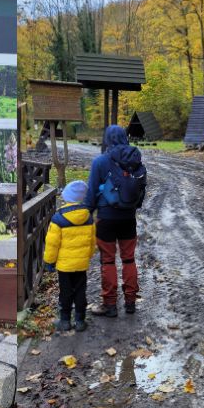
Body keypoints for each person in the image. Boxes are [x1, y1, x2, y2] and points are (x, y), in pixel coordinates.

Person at [84, 124, 147, 318]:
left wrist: (88, 213)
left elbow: (92, 192)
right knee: (129, 259)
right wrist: (132, 207)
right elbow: (141, 189)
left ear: (107, 139)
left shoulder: (100, 162)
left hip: (107, 218)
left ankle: (109, 304)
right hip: (128, 218)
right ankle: (130, 302)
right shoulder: (136, 160)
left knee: (108, 261)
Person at [42, 179, 96, 333]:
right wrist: (88, 256)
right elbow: (92, 241)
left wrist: (49, 261)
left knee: (65, 292)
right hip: (81, 264)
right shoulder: (88, 217)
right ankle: (80, 321)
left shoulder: (58, 219)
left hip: (65, 266)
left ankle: (65, 320)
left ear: (66, 197)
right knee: (80, 290)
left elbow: (52, 244)